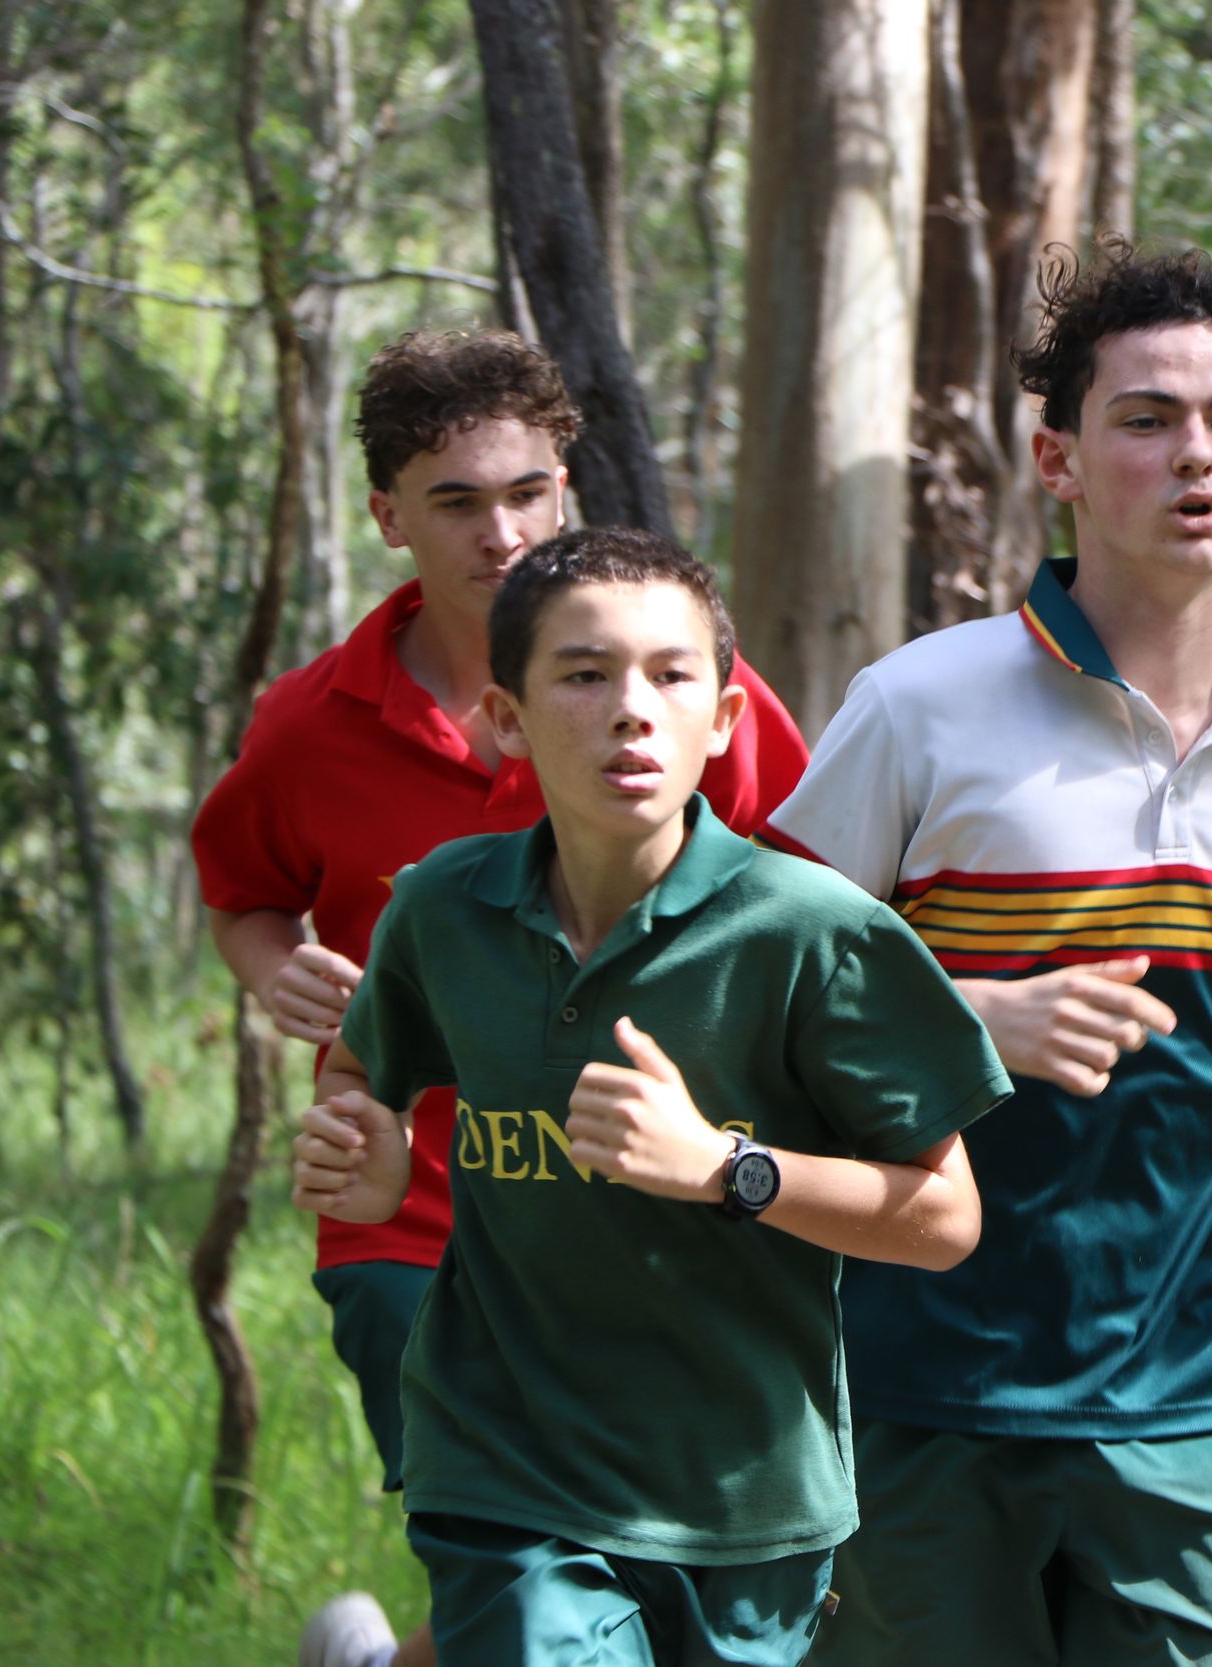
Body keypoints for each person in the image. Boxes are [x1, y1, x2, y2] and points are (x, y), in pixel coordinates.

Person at [759, 245, 1212, 1666]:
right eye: (1145, 420)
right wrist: (974, 1016)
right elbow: (771, 968)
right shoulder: (922, 703)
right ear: (1061, 461)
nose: (1191, 454)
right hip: (926, 1366)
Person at [188, 330, 809, 1667]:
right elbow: (242, 891)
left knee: (618, 1574)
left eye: (528, 492)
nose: (503, 532)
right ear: (387, 515)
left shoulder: (686, 690)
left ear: (566, 486)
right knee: (519, 1554)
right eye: (457, 501)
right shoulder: (308, 725)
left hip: (657, 1211)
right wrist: (273, 966)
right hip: (411, 1225)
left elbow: (808, 889)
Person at [288, 526, 1010, 1667]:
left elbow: (945, 1216)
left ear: (723, 718)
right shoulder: (441, 911)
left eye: (671, 676)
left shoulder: (813, 932)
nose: (632, 710)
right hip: (509, 1460)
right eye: (585, 674)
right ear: (508, 717)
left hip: (749, 1492)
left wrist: (727, 1168)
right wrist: (365, 1157)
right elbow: (359, 1078)